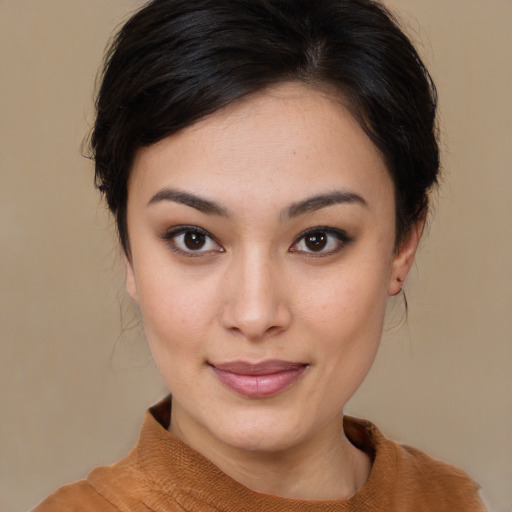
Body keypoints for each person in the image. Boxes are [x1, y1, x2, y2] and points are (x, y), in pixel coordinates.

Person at [33, 0, 487, 510]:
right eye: (193, 238)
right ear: (128, 251)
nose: (254, 315)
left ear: (403, 245)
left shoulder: (451, 500)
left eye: (318, 239)